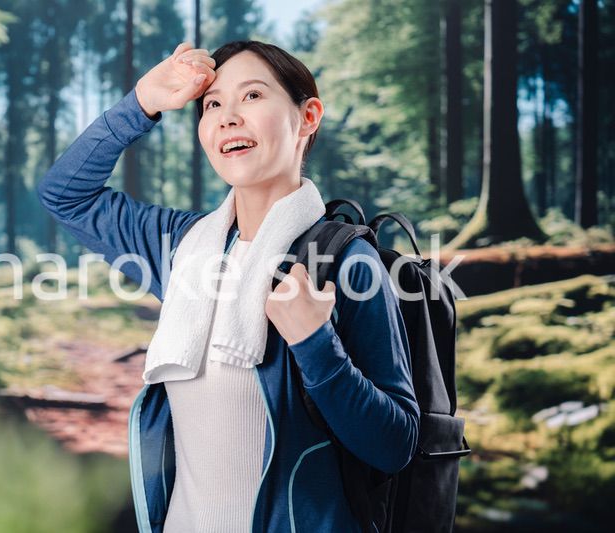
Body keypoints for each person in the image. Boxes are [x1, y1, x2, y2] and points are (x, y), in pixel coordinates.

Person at [38, 40, 419, 533]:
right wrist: (143, 101)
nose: (228, 118)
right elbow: (65, 195)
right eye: (213, 104)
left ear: (308, 117)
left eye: (253, 96)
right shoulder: (183, 248)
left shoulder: (344, 262)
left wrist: (314, 343)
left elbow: (395, 446)